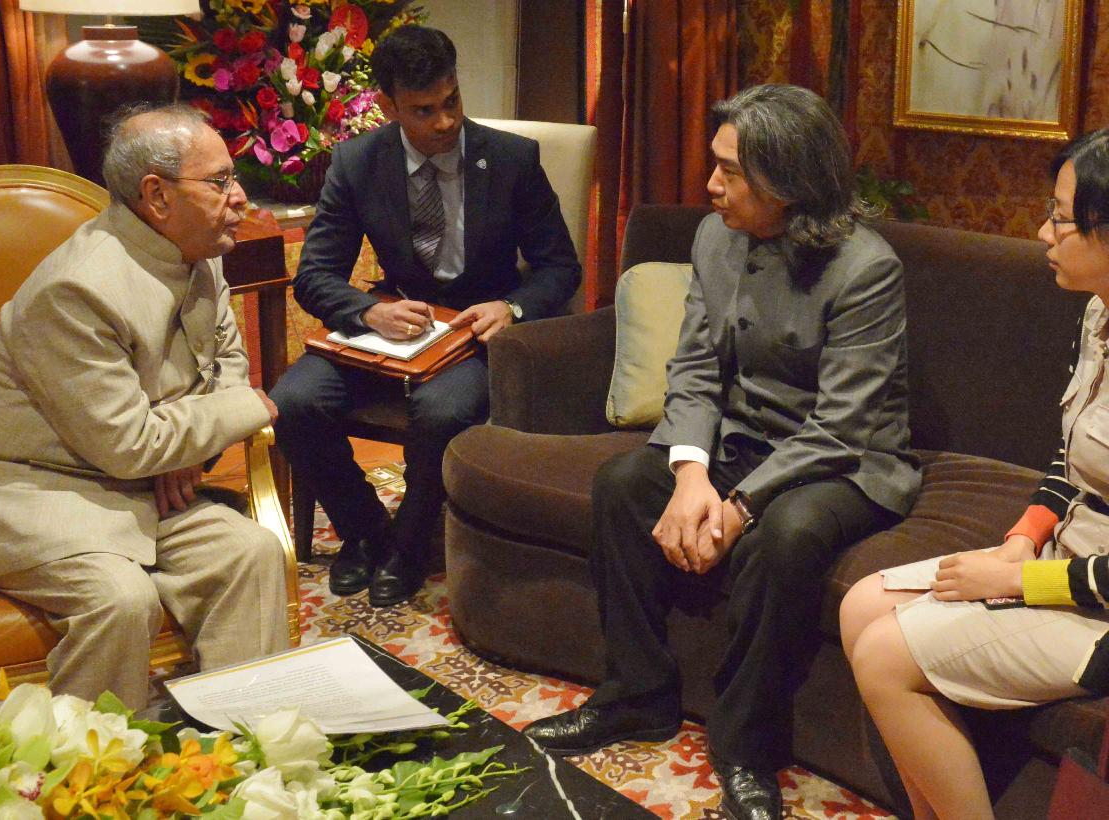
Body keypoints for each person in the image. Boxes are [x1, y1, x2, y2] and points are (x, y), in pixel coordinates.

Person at [522, 84, 921, 820]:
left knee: (786, 535)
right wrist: (689, 473)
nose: (711, 185)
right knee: (623, 485)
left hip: (843, 461)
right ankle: (637, 695)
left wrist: (738, 507)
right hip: (742, 437)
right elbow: (697, 368)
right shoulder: (715, 237)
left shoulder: (866, 268)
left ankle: (745, 748)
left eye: (731, 171)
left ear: (788, 181)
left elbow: (842, 425)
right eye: (716, 164)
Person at [0, 104, 290, 710]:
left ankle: (243, 743)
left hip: (144, 483)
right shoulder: (76, 288)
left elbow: (225, 364)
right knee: (121, 600)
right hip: (35, 493)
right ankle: (91, 762)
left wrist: (183, 450)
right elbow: (131, 443)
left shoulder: (200, 252)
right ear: (157, 196)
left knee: (251, 552)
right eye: (220, 181)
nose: (240, 196)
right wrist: (240, 411)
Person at [840, 130, 1109, 820]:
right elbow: (1072, 458)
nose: (1043, 232)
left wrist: (1020, 581)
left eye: (1061, 217)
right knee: (862, 604)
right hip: (1061, 565)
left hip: (1098, 611)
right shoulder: (1097, 313)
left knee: (884, 653)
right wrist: (1022, 539)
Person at [269, 25, 581, 607]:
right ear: (388, 106)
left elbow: (560, 268)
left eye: (452, 101)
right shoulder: (358, 162)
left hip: (476, 333)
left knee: (440, 411)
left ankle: (408, 547)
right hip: (396, 329)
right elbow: (313, 277)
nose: (446, 121)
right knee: (294, 401)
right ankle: (366, 530)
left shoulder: (511, 158)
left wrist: (512, 307)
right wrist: (369, 311)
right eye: (424, 110)